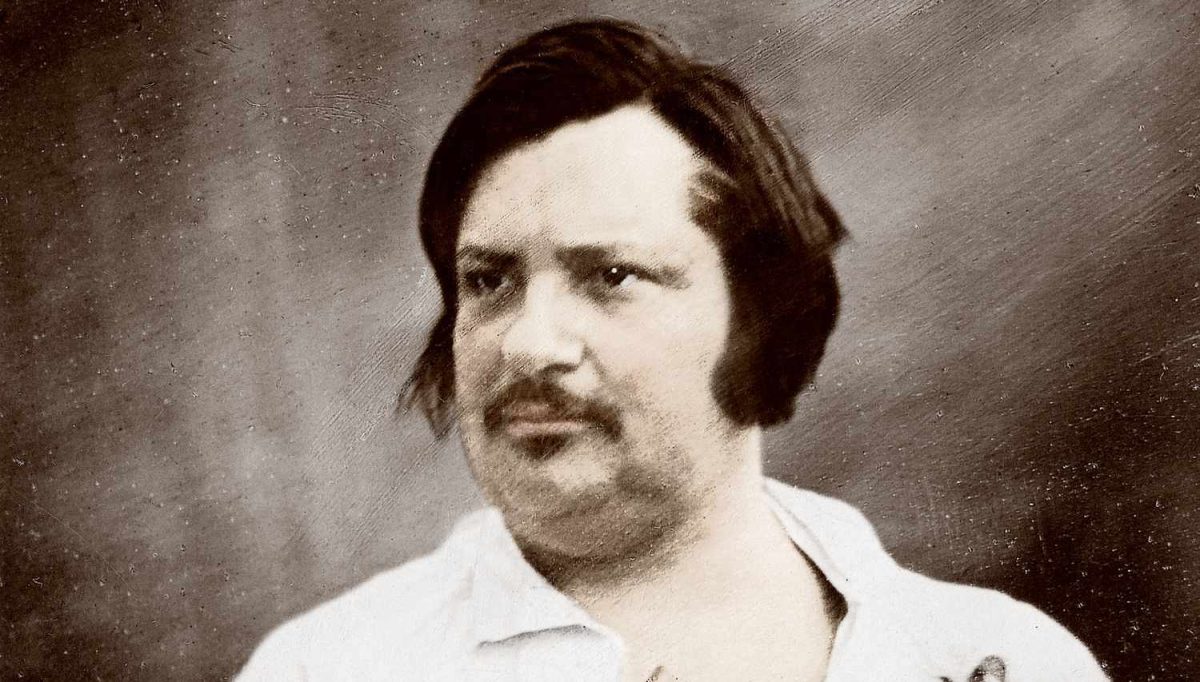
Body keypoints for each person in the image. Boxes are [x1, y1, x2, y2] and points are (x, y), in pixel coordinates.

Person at [236, 19, 1106, 682]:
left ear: (759, 316)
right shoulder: (332, 667)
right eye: (490, 281)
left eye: (611, 275)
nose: (530, 344)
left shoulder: (995, 658)